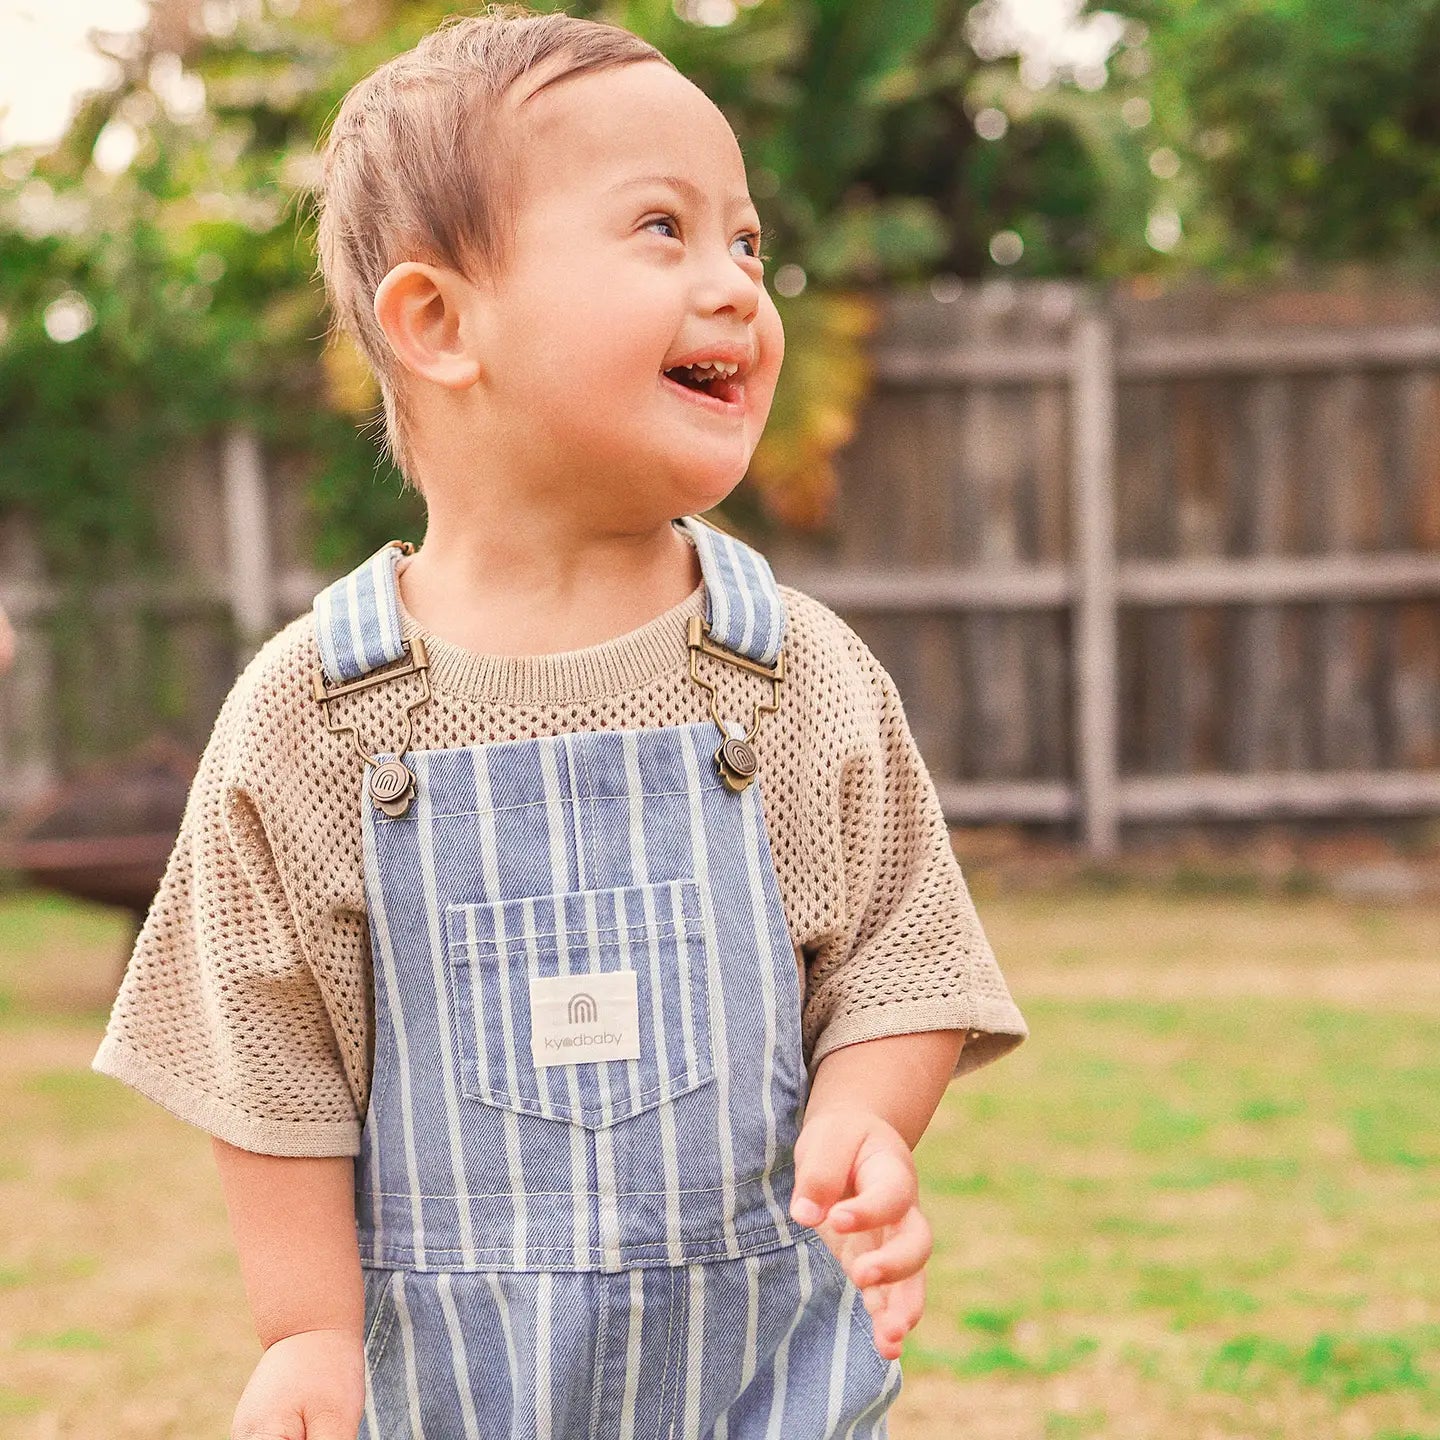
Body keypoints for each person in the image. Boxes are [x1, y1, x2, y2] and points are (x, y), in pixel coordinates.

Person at [92, 7, 1028, 1437]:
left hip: (757, 1388)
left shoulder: (791, 679)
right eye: (663, 228)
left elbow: (903, 955)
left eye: (749, 243)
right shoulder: (316, 716)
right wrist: (305, 1332)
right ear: (441, 323)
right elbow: (270, 1057)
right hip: (445, 1397)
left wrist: (862, 1117)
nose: (736, 288)